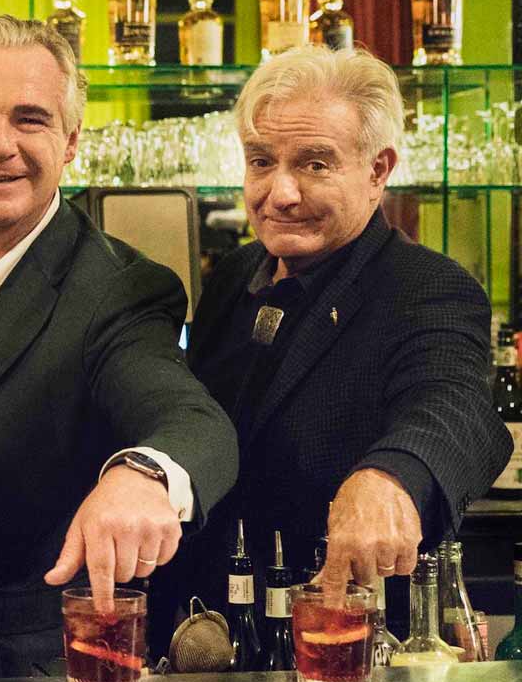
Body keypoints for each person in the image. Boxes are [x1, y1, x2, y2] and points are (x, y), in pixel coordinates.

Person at [0, 16, 238, 676]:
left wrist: (143, 475)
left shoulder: (119, 287)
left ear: (71, 141)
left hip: (20, 672)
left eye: (30, 120)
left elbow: (193, 421)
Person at [168, 45, 510, 635]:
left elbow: (454, 405)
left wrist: (393, 476)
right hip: (221, 637)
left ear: (378, 170)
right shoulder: (234, 276)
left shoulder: (427, 288)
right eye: (261, 162)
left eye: (315, 165)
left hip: (345, 643)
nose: (280, 193)